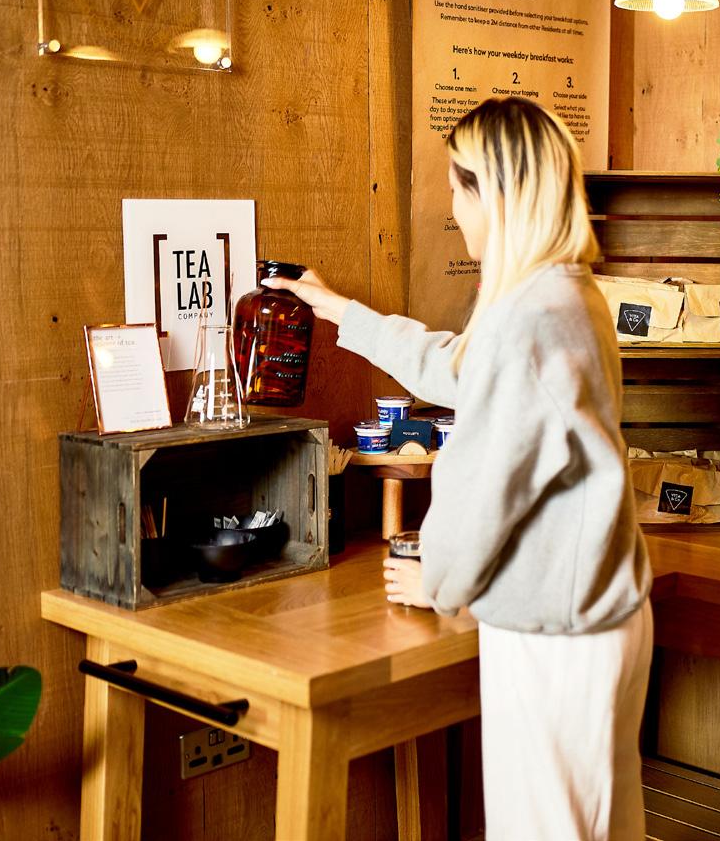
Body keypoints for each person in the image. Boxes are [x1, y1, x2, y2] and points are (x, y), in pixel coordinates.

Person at [263, 97, 653, 840]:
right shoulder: (565, 293)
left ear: (494, 193)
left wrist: (438, 579)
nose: (452, 207)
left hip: (555, 635)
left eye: (455, 187)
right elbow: (459, 368)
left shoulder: (526, 319)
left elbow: (479, 490)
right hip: (598, 614)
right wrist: (335, 308)